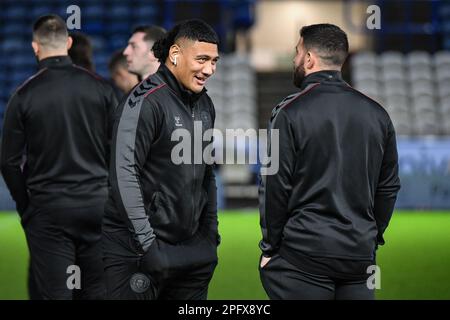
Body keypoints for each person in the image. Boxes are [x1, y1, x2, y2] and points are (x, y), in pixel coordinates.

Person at [258, 23, 401, 300]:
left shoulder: (288, 112)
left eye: (297, 52)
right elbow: (388, 187)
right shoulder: (378, 114)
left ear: (309, 58)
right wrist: (371, 237)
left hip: (302, 258)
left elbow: (274, 185)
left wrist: (270, 248)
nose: (294, 59)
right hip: (359, 258)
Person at [0, 14, 118, 299]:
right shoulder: (101, 87)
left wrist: (26, 207)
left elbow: (8, 161)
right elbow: (119, 151)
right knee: (97, 291)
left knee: (55, 293)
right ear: (67, 42)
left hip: (49, 209)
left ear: (34, 47)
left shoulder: (24, 94)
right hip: (97, 205)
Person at [102, 19, 221, 300]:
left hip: (190, 250)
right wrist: (147, 244)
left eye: (214, 61)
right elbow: (124, 173)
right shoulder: (144, 101)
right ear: (175, 54)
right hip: (137, 250)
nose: (209, 69)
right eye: (202, 59)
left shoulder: (205, 104)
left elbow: (207, 174)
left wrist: (209, 235)